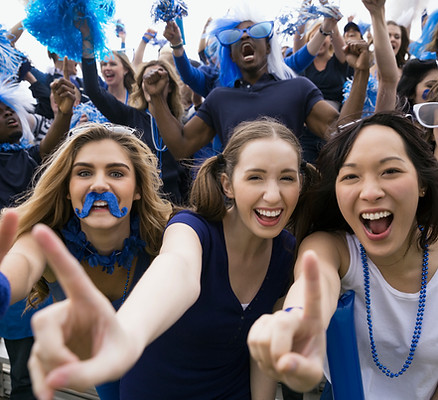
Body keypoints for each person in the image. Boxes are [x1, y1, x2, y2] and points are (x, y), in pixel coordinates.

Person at [23, 117, 316, 400]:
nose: (273, 195)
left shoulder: (288, 252)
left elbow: (260, 354)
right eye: (255, 177)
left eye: (287, 178)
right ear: (227, 184)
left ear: (301, 183)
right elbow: (179, 270)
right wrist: (122, 334)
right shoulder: (190, 229)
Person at [247, 112, 438, 399]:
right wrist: (299, 321)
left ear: (422, 184)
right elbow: (315, 283)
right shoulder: (331, 248)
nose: (370, 192)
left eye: (390, 171)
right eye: (350, 176)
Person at [0, 122, 173, 400]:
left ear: (138, 189)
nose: (99, 184)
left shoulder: (167, 237)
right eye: (84, 172)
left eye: (116, 173)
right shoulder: (47, 242)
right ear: (68, 189)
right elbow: (22, 262)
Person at [142, 6, 369, 163]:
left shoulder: (298, 88)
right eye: (235, 36)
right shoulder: (219, 97)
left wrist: (361, 72)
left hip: (288, 209)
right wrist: (157, 99)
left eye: (255, 32)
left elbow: (341, 132)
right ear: (230, 54)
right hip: (234, 211)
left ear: (269, 47)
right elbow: (182, 146)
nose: (244, 37)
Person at [0, 60, 76, 400]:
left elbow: (49, 149)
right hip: (8, 276)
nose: (7, 115)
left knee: (35, 374)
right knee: (25, 379)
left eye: (10, 109)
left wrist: (63, 114)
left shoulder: (28, 156)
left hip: (34, 281)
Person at [76, 17, 188, 204]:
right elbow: (93, 90)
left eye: (160, 77)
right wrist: (87, 37)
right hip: (140, 205)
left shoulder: (182, 125)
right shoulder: (129, 116)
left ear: (170, 87)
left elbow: (187, 174)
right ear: (141, 87)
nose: (153, 82)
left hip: (176, 207)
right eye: (147, 78)